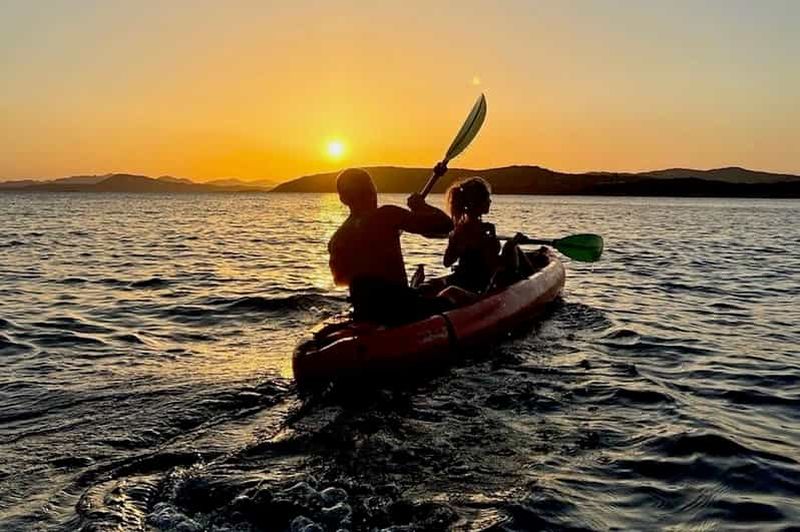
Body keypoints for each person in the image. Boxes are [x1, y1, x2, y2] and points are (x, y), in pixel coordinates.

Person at [328, 167, 453, 324]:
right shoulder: (387, 215)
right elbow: (446, 226)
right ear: (372, 191)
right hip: (401, 308)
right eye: (370, 188)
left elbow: (341, 280)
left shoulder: (337, 238)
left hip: (365, 311)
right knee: (454, 295)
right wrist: (421, 207)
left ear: (343, 199)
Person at [443, 177, 534, 295]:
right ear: (476, 202)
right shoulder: (483, 231)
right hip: (479, 288)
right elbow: (493, 264)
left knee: (513, 248)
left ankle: (532, 280)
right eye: (487, 198)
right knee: (512, 247)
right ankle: (533, 284)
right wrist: (512, 244)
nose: (490, 201)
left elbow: (447, 262)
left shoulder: (457, 230)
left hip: (465, 281)